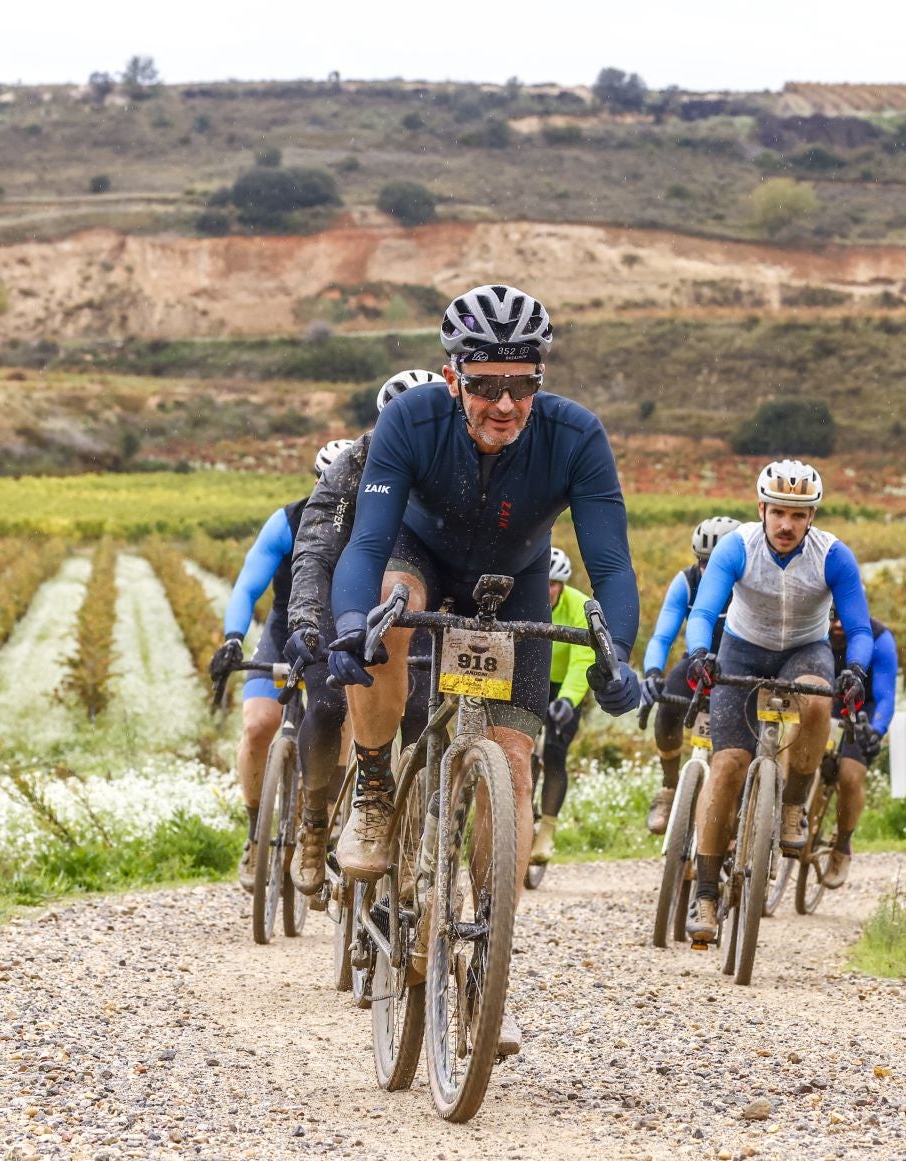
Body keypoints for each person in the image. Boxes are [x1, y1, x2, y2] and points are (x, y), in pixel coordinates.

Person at [324, 283, 643, 1055]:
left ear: (541, 380)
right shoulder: (409, 420)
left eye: (522, 384)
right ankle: (373, 785)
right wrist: (347, 625)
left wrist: (618, 653)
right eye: (486, 385)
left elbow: (609, 562)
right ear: (451, 377)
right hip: (418, 558)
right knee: (390, 611)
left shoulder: (574, 436)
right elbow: (367, 544)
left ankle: (482, 961)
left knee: (514, 765)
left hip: (515, 580)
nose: (504, 404)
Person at [676, 459, 873, 945]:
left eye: (799, 515)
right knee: (727, 766)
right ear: (761, 508)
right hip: (742, 646)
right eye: (779, 512)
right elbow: (703, 610)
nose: (787, 525)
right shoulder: (737, 547)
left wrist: (856, 670)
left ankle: (790, 807)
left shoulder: (833, 556)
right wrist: (700, 652)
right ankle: (704, 893)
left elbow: (861, 628)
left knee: (817, 704)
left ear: (813, 517)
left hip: (805, 649)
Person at [281, 368, 441, 894]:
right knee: (328, 703)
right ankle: (315, 823)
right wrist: (306, 620)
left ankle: (432, 838)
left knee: (425, 709)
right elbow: (318, 548)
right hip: (354, 594)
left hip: (426, 602)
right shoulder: (359, 464)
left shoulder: (462, 459)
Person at [208, 438, 354, 892]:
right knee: (257, 725)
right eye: (329, 481)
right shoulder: (288, 520)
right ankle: (256, 832)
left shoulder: (374, 525)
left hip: (343, 632)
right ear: (317, 480)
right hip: (285, 627)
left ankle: (323, 825)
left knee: (346, 720)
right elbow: (247, 585)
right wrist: (233, 637)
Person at [638, 515, 742, 833]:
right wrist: (653, 672)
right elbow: (662, 637)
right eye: (703, 562)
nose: (709, 571)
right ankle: (669, 789)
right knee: (668, 703)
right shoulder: (685, 582)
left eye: (718, 562)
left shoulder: (751, 586)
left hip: (741, 665)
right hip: (697, 661)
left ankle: (741, 809)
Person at [821, 607, 898, 888]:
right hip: (826, 700)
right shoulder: (814, 628)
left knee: (849, 775)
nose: (838, 624)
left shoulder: (879, 637)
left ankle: (842, 847)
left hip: (863, 707)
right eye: (833, 616)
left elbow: (886, 694)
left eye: (845, 616)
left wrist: (876, 730)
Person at [532, 546, 596, 866]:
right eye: (543, 581)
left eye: (554, 583)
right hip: (532, 680)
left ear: (563, 584)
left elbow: (582, 660)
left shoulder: (579, 606)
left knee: (555, 752)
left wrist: (568, 701)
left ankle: (546, 831)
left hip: (564, 686)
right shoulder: (526, 600)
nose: (548, 589)